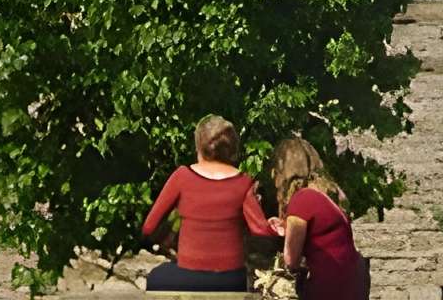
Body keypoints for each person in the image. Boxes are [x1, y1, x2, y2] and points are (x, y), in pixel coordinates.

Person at [140, 116, 276, 292]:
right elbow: (260, 230)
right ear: (233, 148)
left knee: (155, 277)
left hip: (190, 275)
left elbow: (149, 227)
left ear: (199, 146)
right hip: (231, 279)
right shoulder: (244, 182)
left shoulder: (182, 176)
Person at [269, 134, 366, 300]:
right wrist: (285, 226)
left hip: (328, 286)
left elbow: (291, 259)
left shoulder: (301, 199)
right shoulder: (321, 195)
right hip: (351, 282)